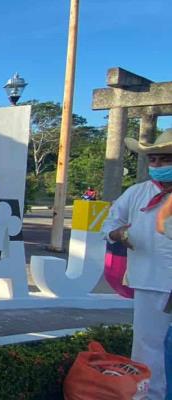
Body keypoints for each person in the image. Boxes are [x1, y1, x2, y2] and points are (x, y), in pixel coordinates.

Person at [102, 129, 172, 399]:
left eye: (164, 160)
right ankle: (149, 396)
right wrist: (116, 234)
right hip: (149, 279)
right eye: (153, 159)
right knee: (146, 345)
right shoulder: (136, 193)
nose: (156, 166)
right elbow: (110, 223)